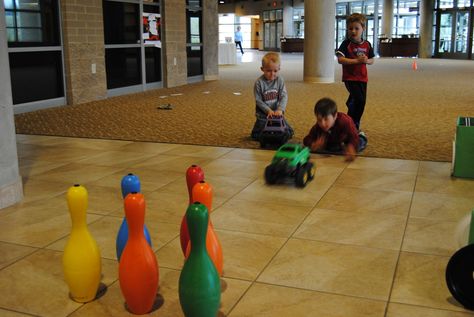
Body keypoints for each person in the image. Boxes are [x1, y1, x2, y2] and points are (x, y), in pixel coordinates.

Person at [336, 13, 374, 131]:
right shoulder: (346, 44)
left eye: (356, 28)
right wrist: (356, 60)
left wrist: (366, 60)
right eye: (350, 28)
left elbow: (372, 60)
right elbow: (340, 59)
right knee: (359, 100)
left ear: (363, 28)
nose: (353, 31)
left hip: (363, 78)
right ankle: (353, 124)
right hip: (350, 78)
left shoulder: (367, 44)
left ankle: (353, 121)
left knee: (362, 103)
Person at [303, 97, 367, 162]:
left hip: (347, 139)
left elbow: (353, 137)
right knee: (327, 150)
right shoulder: (318, 126)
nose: (323, 123)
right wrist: (313, 144)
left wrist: (352, 147)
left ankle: (362, 136)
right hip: (333, 142)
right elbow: (306, 140)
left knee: (358, 145)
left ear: (335, 116)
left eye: (326, 119)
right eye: (319, 120)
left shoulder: (345, 121)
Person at [251, 52, 294, 140]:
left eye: (275, 71)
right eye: (268, 71)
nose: (272, 74)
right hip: (263, 114)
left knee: (289, 131)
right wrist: (268, 111)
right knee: (256, 135)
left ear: (279, 69)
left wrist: (280, 109)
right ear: (262, 69)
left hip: (277, 113)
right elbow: (258, 100)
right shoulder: (259, 83)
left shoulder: (280, 80)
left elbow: (284, 96)